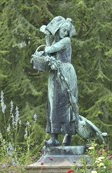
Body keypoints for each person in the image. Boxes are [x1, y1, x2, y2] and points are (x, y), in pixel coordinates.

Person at [40, 16, 78, 147]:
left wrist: (47, 36)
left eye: (67, 30)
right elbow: (49, 50)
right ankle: (54, 136)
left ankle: (67, 135)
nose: (65, 32)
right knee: (53, 103)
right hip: (56, 73)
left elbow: (49, 50)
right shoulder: (60, 40)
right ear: (58, 30)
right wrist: (48, 37)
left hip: (64, 73)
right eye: (63, 30)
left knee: (63, 103)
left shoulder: (66, 41)